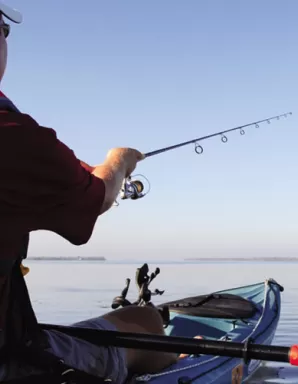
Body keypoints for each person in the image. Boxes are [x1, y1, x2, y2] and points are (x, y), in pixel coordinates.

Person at [0, 2, 178, 383]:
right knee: (146, 322)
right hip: (12, 361)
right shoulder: (13, 136)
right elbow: (94, 198)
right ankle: (183, 359)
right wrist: (119, 161)